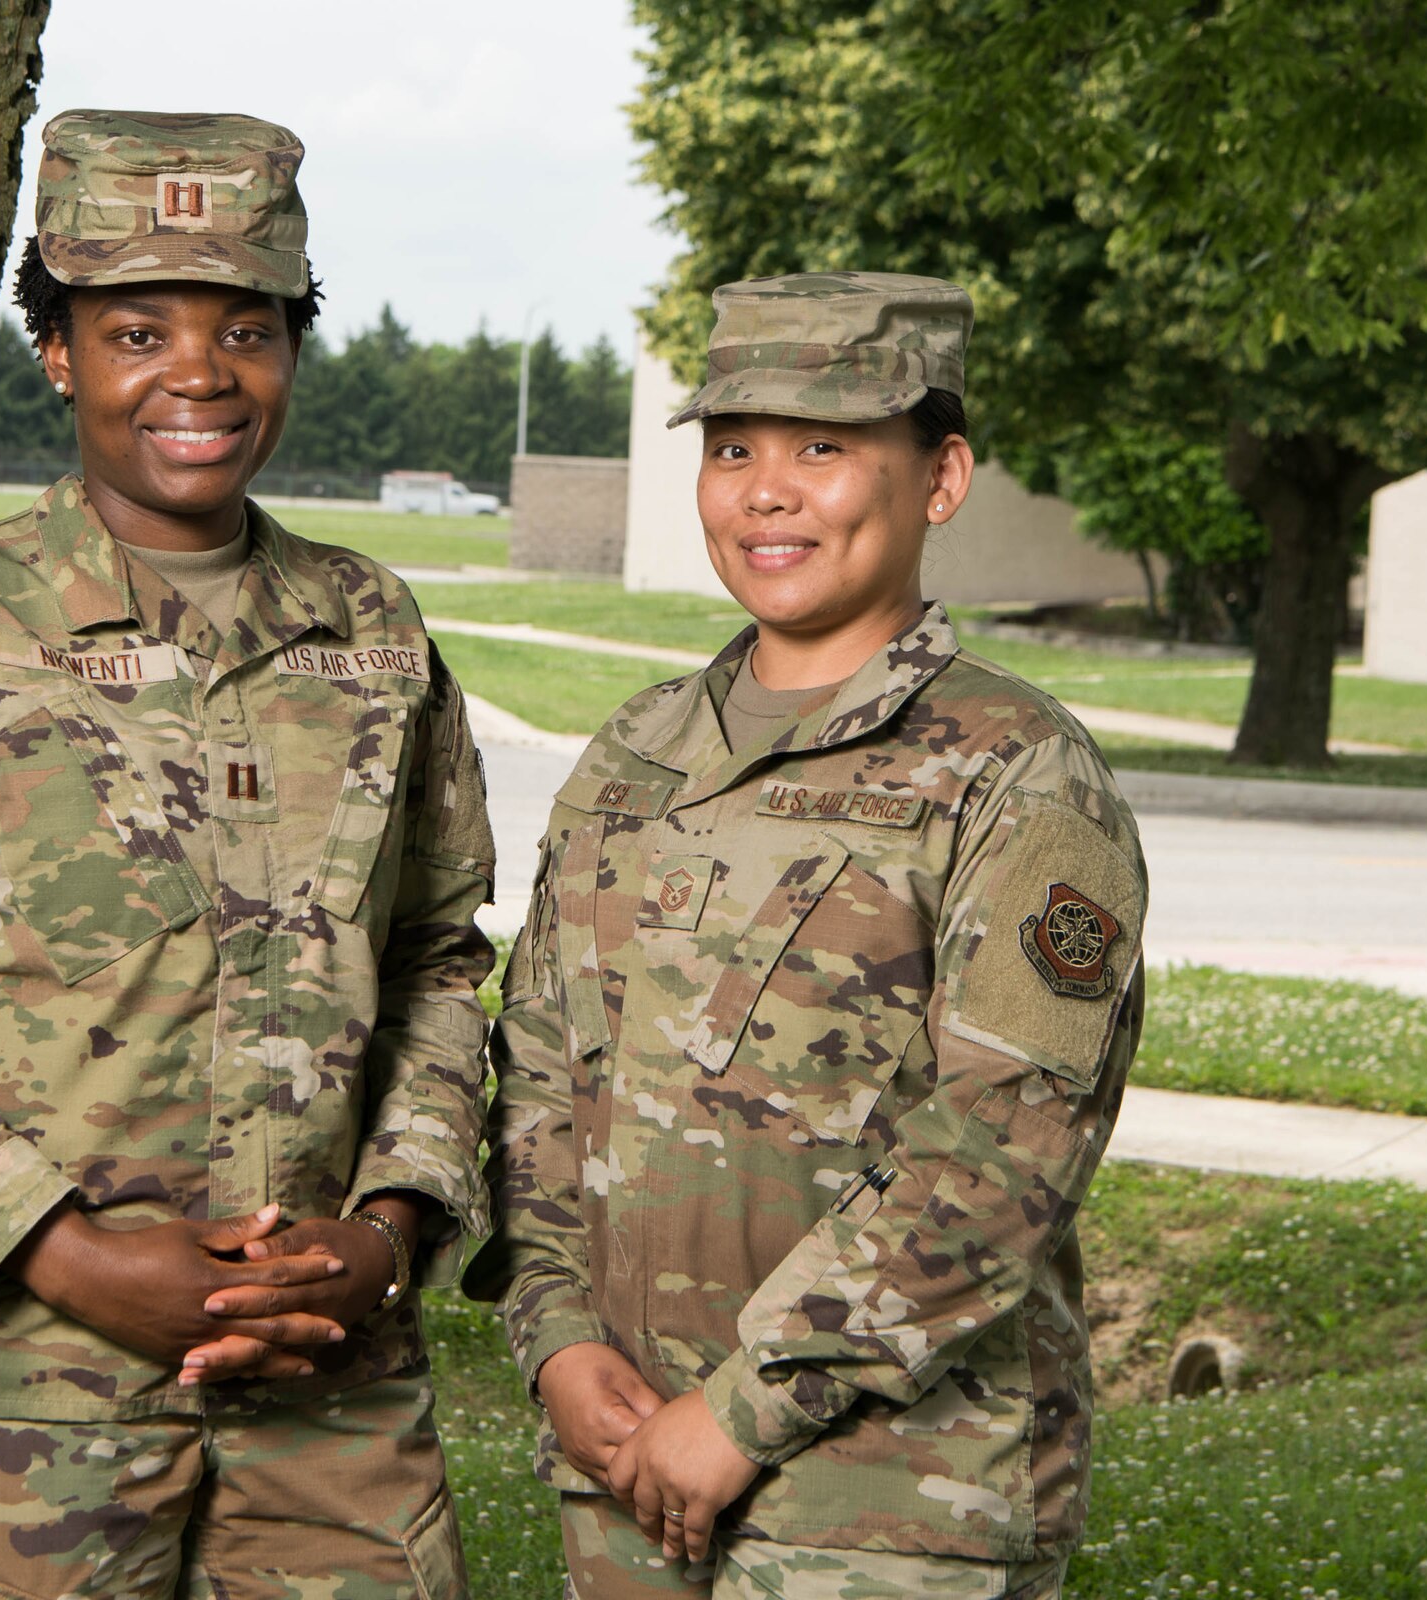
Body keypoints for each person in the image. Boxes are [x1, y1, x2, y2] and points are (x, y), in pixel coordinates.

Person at [0, 110, 494, 1600]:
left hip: (329, 1416)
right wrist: (83, 1264)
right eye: (137, 327)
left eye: (247, 327)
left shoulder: (374, 629)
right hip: (8, 1413)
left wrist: (393, 1230)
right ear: (60, 354)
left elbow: (441, 961)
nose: (199, 374)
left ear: (293, 345)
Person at [467, 272, 1147, 1598]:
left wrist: (739, 1412)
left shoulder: (1020, 774)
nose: (764, 492)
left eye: (823, 449)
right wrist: (553, 1337)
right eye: (733, 449)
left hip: (893, 1505)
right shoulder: (636, 754)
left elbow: (1004, 1154)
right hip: (621, 1470)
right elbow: (542, 1079)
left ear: (940, 478)